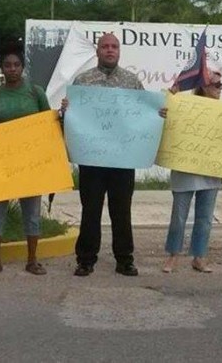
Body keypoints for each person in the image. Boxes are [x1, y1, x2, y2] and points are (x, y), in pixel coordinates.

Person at [60, 33, 144, 277]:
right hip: (92, 159)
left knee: (122, 210)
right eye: (105, 46)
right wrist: (66, 110)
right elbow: (71, 118)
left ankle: (124, 259)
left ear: (119, 51)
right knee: (91, 210)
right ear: (97, 51)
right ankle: (85, 259)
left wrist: (156, 113)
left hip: (122, 159)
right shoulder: (83, 81)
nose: (110, 50)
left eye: (114, 46)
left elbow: (142, 116)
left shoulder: (131, 81)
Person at [0, 41, 51, 276]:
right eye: (8, 65)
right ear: (1, 68)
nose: (12, 69)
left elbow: (48, 125)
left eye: (16, 65)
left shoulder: (35, 92)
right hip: (1, 164)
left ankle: (32, 260)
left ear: (23, 67)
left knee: (31, 212)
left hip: (30, 164)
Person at [162, 71, 222, 274]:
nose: (220, 88)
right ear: (204, 86)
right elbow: (167, 109)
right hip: (185, 170)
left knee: (205, 218)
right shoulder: (184, 106)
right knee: (179, 217)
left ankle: (199, 256)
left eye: (221, 85)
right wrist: (170, 96)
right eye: (216, 84)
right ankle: (173, 255)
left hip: (210, 172)